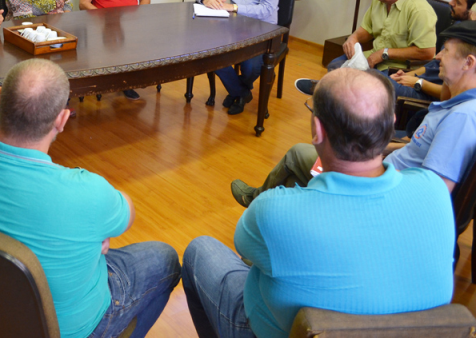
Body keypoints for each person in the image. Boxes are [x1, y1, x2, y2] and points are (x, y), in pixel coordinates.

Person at [184, 68, 454, 338]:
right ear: (391, 123)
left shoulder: (273, 211)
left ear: (317, 131)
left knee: (199, 250)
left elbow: (248, 249)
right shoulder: (435, 191)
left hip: (267, 328)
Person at [0, 59, 181, 338]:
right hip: (66, 330)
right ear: (62, 120)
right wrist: (94, 222)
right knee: (165, 258)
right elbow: (128, 213)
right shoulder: (87, 192)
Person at [232, 20, 476, 207]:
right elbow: (416, 148)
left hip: (376, 191)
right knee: (297, 166)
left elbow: (434, 193)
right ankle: (264, 214)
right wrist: (373, 151)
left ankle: (260, 210)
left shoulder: (461, 118)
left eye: (445, 51)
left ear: (468, 63)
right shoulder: (458, 105)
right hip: (377, 173)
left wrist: (371, 174)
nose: (438, 56)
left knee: (297, 161)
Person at [195, 0, 284, 115]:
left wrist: (233, 7)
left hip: (263, 30)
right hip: (232, 28)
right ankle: (241, 92)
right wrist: (206, 0)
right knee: (211, 55)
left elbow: (266, 9)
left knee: (251, 66)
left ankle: (238, 91)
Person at [387, 0, 476, 101]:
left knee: (376, 84)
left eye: (458, 2)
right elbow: (434, 64)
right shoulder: (457, 27)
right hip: (419, 82)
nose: (451, 3)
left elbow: (450, 95)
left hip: (427, 95)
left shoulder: (470, 46)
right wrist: (407, 75)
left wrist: (419, 82)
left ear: (472, 10)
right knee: (375, 78)